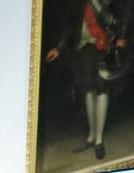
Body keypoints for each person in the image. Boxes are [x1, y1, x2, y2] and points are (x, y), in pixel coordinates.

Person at [45, 4, 133, 161]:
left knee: (102, 90)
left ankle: (99, 140)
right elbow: (71, 27)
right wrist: (59, 48)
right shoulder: (79, 5)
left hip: (104, 47)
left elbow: (123, 14)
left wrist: (121, 36)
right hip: (84, 50)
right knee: (88, 90)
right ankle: (91, 137)